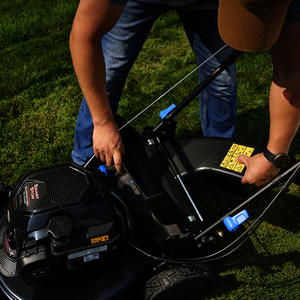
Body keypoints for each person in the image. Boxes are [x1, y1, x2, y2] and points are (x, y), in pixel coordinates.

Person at [70, 0, 300, 187]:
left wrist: (275, 155)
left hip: (213, 5)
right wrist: (102, 123)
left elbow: (291, 69)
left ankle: (225, 166)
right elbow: (85, 35)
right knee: (111, 68)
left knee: (221, 79)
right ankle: (85, 165)